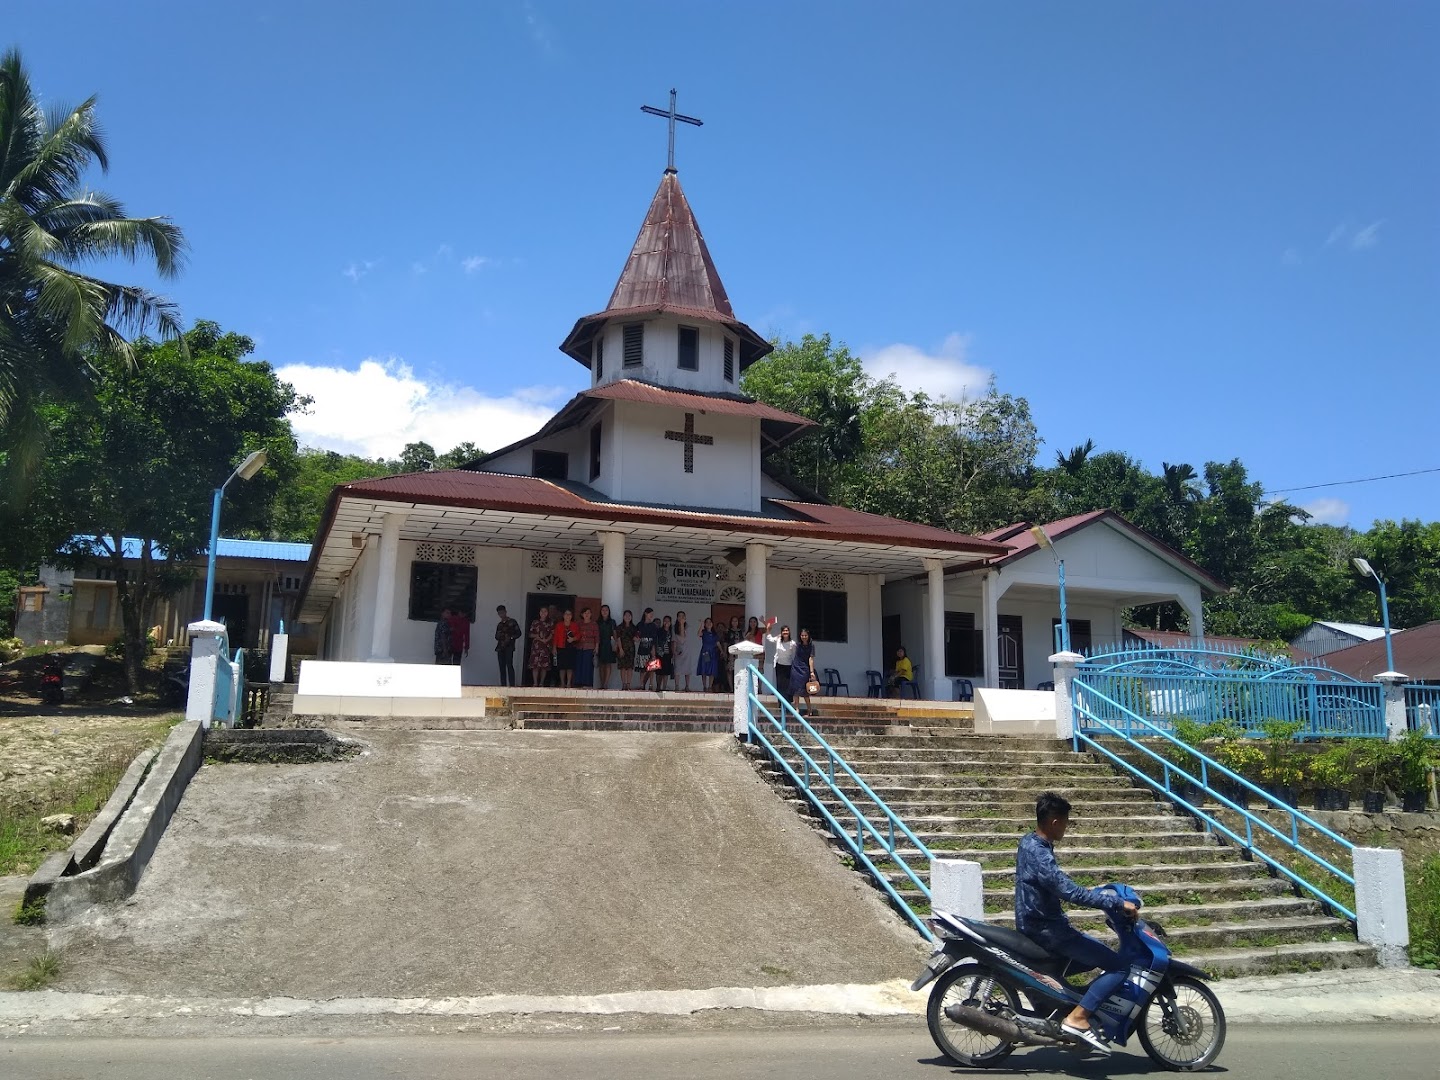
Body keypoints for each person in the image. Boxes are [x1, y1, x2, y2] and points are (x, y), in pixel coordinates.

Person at [1016, 792, 1137, 1056]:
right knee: (1117, 966)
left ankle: (1065, 1009)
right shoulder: (1039, 851)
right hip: (1048, 930)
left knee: (1093, 957)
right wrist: (1116, 904)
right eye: (1067, 822)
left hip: (1037, 924)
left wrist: (1094, 891)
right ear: (1055, 822)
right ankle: (1077, 1018)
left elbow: (1054, 882)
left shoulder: (1029, 842)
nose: (1067, 828)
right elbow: (1065, 890)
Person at [766, 618, 796, 704]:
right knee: (780, 684)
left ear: (789, 632)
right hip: (779, 665)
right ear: (781, 632)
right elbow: (770, 639)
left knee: (788, 685)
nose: (785, 632)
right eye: (784, 631)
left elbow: (794, 654)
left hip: (789, 665)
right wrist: (768, 629)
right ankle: (780, 702)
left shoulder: (792, 643)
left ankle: (788, 702)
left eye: (787, 631)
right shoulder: (778, 639)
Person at [792, 627, 818, 715]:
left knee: (805, 690)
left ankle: (809, 709)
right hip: (796, 668)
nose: (804, 637)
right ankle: (796, 709)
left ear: (808, 636)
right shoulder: (797, 644)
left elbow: (811, 659)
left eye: (805, 635)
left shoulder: (811, 646)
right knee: (796, 690)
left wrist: (811, 672)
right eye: (802, 635)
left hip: (805, 669)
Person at [494, 605, 521, 687]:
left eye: (502, 612)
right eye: (499, 613)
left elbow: (518, 633)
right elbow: (496, 636)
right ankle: (503, 685)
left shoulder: (512, 622)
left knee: (509, 665)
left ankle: (512, 685)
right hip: (500, 647)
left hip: (509, 646)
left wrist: (511, 637)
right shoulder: (499, 624)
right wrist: (502, 637)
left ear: (505, 612)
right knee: (502, 667)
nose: (501, 615)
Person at [528, 608, 554, 687]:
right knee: (535, 665)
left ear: (547, 613)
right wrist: (538, 636)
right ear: (539, 613)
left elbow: (552, 633)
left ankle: (541, 683)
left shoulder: (550, 623)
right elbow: (530, 634)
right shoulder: (535, 622)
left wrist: (546, 640)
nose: (543, 613)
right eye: (542, 611)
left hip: (545, 646)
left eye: (545, 611)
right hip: (536, 646)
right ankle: (535, 682)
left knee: (544, 665)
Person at [553, 609, 578, 689]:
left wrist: (573, 639)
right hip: (561, 647)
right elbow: (555, 637)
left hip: (571, 647)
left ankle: (568, 683)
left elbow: (579, 635)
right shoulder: (559, 625)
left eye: (569, 614)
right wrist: (554, 648)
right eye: (566, 614)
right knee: (562, 666)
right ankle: (562, 683)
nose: (568, 616)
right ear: (563, 616)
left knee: (570, 666)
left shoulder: (575, 625)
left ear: (571, 616)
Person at [575, 607, 600, 688]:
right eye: (585, 613)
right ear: (582, 614)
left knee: (587, 666)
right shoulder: (578, 624)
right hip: (579, 646)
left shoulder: (594, 624)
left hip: (589, 647)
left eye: (588, 613)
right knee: (579, 665)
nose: (587, 614)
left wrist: (596, 647)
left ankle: (587, 683)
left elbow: (597, 636)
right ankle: (578, 682)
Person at [595, 604, 618, 690]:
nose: (604, 612)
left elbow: (615, 634)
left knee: (608, 664)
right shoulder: (598, 622)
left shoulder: (612, 622)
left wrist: (616, 644)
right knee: (601, 665)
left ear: (609, 612)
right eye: (603, 610)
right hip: (600, 644)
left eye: (606, 610)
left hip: (609, 644)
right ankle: (601, 683)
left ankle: (606, 683)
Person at [635, 608, 657, 691]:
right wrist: (636, 638)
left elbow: (654, 640)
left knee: (652, 668)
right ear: (645, 614)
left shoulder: (653, 626)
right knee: (642, 668)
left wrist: (653, 651)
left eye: (652, 614)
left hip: (651, 647)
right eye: (650, 613)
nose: (651, 615)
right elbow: (636, 635)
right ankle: (641, 684)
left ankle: (651, 684)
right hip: (642, 648)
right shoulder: (640, 625)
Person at [614, 609, 637, 690]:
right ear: (623, 617)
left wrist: (636, 638)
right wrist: (620, 649)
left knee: (630, 667)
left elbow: (636, 637)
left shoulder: (634, 627)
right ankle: (623, 684)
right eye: (626, 615)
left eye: (629, 616)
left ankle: (628, 684)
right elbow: (618, 638)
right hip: (622, 648)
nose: (627, 617)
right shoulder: (619, 627)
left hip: (631, 649)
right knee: (623, 667)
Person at [696, 617, 720, 692]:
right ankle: (704, 686)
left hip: (713, 652)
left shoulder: (714, 634)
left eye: (710, 622)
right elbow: (698, 634)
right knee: (704, 668)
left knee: (712, 669)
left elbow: (717, 643)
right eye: (707, 622)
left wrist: (721, 650)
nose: (709, 624)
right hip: (705, 652)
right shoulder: (704, 632)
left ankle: (710, 686)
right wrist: (701, 624)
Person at [671, 611, 691, 692]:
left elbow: (683, 637)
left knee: (687, 668)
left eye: (683, 616)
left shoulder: (688, 626)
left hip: (686, 649)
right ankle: (677, 686)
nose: (681, 618)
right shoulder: (673, 627)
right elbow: (673, 639)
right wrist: (674, 651)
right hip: (677, 649)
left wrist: (682, 624)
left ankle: (687, 686)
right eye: (679, 616)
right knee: (677, 668)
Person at [655, 614, 674, 692]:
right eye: (665, 621)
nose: (666, 622)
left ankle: (664, 687)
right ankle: (658, 686)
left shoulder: (671, 631)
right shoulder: (659, 631)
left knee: (666, 671)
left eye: (668, 621)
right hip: (660, 653)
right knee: (659, 671)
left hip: (668, 653)